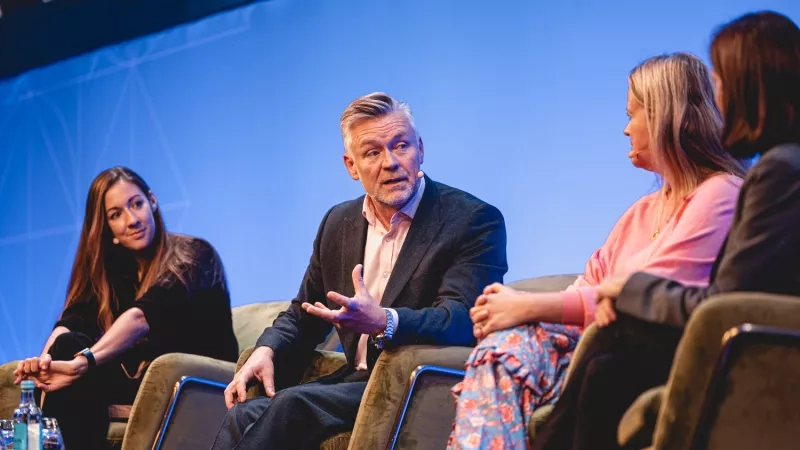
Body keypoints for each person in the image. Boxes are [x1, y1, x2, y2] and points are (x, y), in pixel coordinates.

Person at [447, 52, 746, 450]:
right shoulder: (640, 212)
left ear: (663, 116)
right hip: (587, 348)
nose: (626, 130)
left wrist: (526, 306)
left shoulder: (720, 193)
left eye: (632, 114)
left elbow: (648, 295)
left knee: (501, 356)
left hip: (651, 352)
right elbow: (590, 286)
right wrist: (510, 311)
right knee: (499, 352)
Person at [531, 11, 800, 450]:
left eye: (722, 80)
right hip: (746, 340)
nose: (716, 95)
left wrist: (628, 289)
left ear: (751, 85)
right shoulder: (780, 168)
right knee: (608, 363)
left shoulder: (778, 173)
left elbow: (723, 304)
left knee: (614, 347)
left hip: (757, 353)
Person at [209, 92, 508, 450]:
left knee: (291, 405)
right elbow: (304, 313)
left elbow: (460, 319)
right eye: (373, 152)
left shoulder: (472, 220)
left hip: (417, 384)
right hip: (354, 382)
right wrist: (267, 350)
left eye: (401, 146)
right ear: (351, 166)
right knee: (242, 413)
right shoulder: (338, 223)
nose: (391, 162)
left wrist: (385, 321)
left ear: (421, 149)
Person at [13, 166, 238, 450]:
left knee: (74, 356)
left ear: (152, 202)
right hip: (140, 382)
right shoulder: (119, 273)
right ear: (107, 228)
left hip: (193, 383)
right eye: (116, 214)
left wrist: (81, 363)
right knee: (67, 343)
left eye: (137, 204)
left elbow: (142, 317)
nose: (132, 220)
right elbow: (74, 319)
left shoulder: (194, 255)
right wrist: (43, 367)